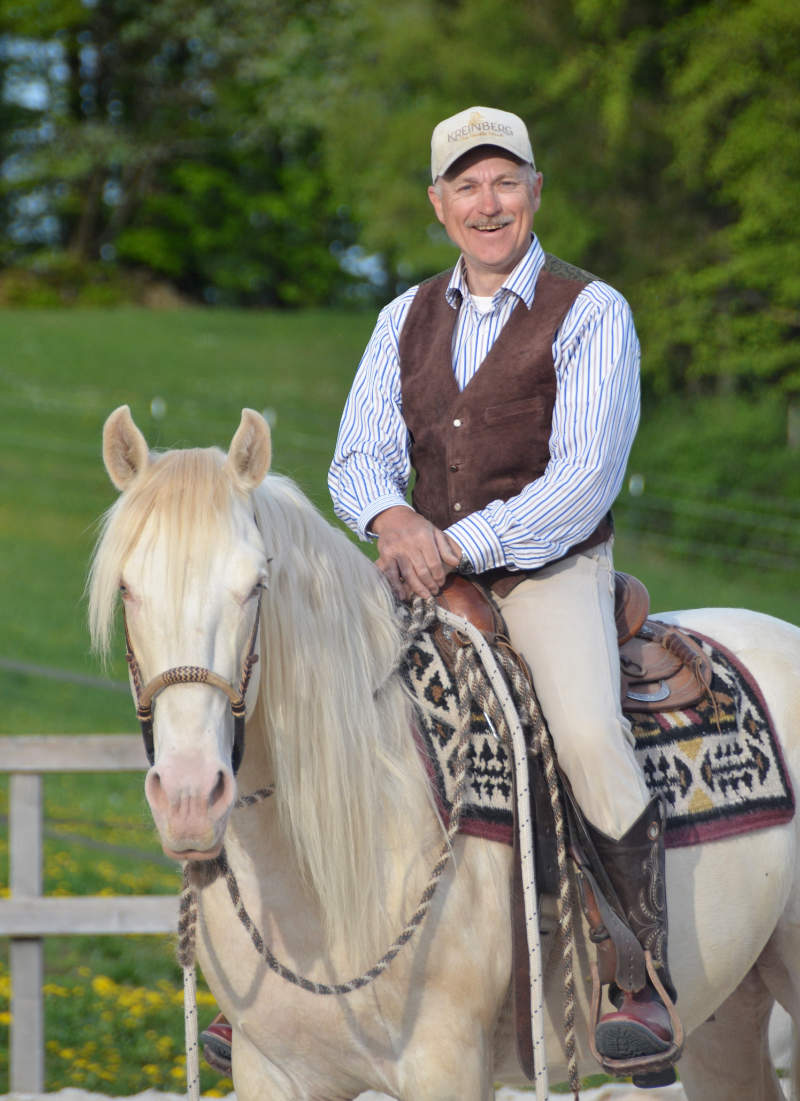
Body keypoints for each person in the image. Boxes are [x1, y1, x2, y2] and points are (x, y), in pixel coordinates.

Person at [327, 105, 679, 1075]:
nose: (488, 205)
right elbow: (358, 455)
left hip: (545, 568)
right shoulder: (400, 317)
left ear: (534, 193)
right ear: (438, 205)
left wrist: (454, 545)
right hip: (419, 560)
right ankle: (299, 978)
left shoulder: (590, 310)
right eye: (466, 187)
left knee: (582, 731)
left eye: (504, 182)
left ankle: (637, 978)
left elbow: (581, 480)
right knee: (315, 700)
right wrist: (389, 522)